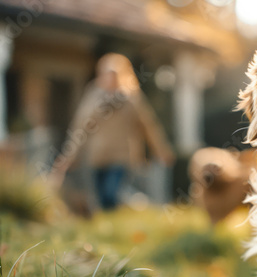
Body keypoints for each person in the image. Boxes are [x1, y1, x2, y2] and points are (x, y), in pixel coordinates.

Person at [51, 53, 175, 210]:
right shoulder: (93, 96)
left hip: (122, 155)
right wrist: (68, 156)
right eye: (107, 73)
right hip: (97, 156)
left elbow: (148, 125)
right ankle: (110, 225)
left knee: (111, 194)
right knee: (100, 198)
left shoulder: (132, 97)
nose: (111, 78)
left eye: (114, 73)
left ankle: (118, 220)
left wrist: (161, 150)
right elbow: (80, 127)